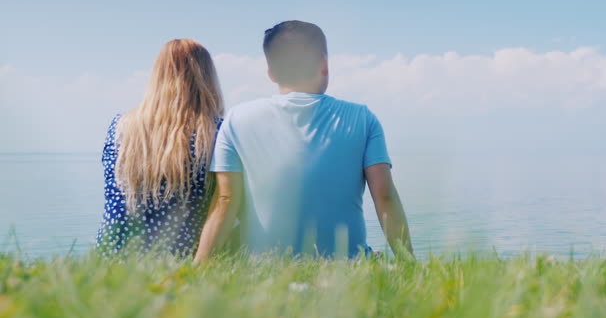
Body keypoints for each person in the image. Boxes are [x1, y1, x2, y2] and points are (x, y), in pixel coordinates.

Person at [194, 20, 413, 261]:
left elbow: (226, 200)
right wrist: (408, 262)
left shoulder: (236, 119)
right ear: (324, 65)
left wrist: (199, 267)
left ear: (271, 73)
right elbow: (385, 197)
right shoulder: (363, 119)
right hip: (346, 268)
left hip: (263, 271)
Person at [98, 39, 225, 255]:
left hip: (115, 253)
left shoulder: (121, 127)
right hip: (184, 255)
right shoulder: (216, 131)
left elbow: (114, 193)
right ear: (207, 77)